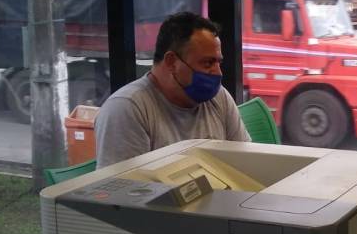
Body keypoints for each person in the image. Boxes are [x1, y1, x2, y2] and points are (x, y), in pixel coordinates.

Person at [95, 11, 250, 168]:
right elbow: (124, 188)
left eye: (218, 63)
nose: (218, 72)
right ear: (171, 62)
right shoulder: (127, 109)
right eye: (208, 63)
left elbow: (247, 163)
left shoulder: (218, 97)